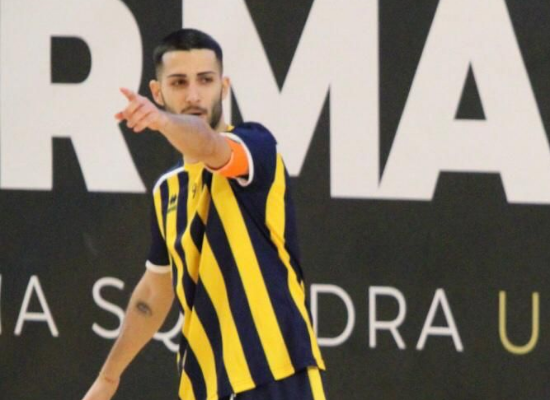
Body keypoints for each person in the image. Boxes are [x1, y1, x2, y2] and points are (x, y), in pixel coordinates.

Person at [82, 28, 326, 400]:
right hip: (203, 384)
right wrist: (108, 378)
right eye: (179, 82)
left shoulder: (256, 147)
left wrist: (163, 122)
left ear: (224, 87)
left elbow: (209, 145)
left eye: (206, 80)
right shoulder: (167, 190)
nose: (194, 95)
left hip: (273, 374)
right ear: (157, 92)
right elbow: (153, 293)